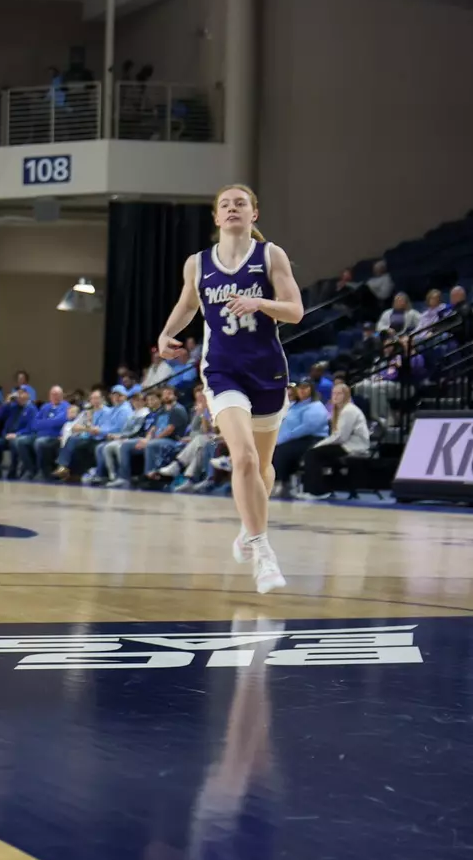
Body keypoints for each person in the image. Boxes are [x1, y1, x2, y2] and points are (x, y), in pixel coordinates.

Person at [157, 184, 303, 594]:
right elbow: (188, 303)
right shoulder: (198, 264)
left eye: (241, 203)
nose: (233, 208)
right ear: (216, 217)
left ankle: (247, 527)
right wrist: (168, 333)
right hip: (222, 371)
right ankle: (261, 550)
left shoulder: (271, 255)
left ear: (254, 213)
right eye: (226, 204)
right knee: (242, 458)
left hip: (268, 371)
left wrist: (261, 304)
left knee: (261, 469)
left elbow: (295, 311)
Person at [300, 382, 371, 499]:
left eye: (339, 394)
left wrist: (319, 445)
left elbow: (340, 437)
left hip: (354, 445)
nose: (336, 396)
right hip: (346, 444)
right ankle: (321, 488)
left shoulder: (349, 410)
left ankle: (316, 491)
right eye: (334, 393)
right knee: (314, 453)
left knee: (312, 454)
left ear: (346, 395)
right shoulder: (339, 410)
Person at [271, 380, 330, 496]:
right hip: (292, 438)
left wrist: (285, 438)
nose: (302, 390)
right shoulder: (294, 406)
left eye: (305, 388)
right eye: (300, 388)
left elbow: (307, 427)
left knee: (282, 450)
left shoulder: (316, 406)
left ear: (311, 390)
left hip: (313, 438)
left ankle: (281, 483)